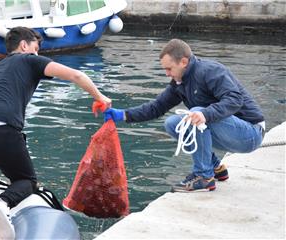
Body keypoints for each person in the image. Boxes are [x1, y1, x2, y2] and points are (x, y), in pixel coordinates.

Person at [0, 26, 111, 240]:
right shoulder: (30, 60)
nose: (37, 54)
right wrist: (101, 98)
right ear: (24, 45)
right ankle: (2, 203)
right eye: (35, 48)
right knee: (26, 180)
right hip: (4, 131)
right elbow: (76, 75)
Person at [104, 38, 265, 193]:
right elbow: (157, 107)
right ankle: (215, 168)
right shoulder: (179, 82)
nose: (167, 74)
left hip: (250, 133)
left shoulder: (210, 71)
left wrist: (205, 114)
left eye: (169, 69)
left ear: (183, 62)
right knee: (172, 123)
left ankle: (204, 177)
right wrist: (123, 115)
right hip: (228, 132)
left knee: (195, 113)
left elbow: (235, 99)